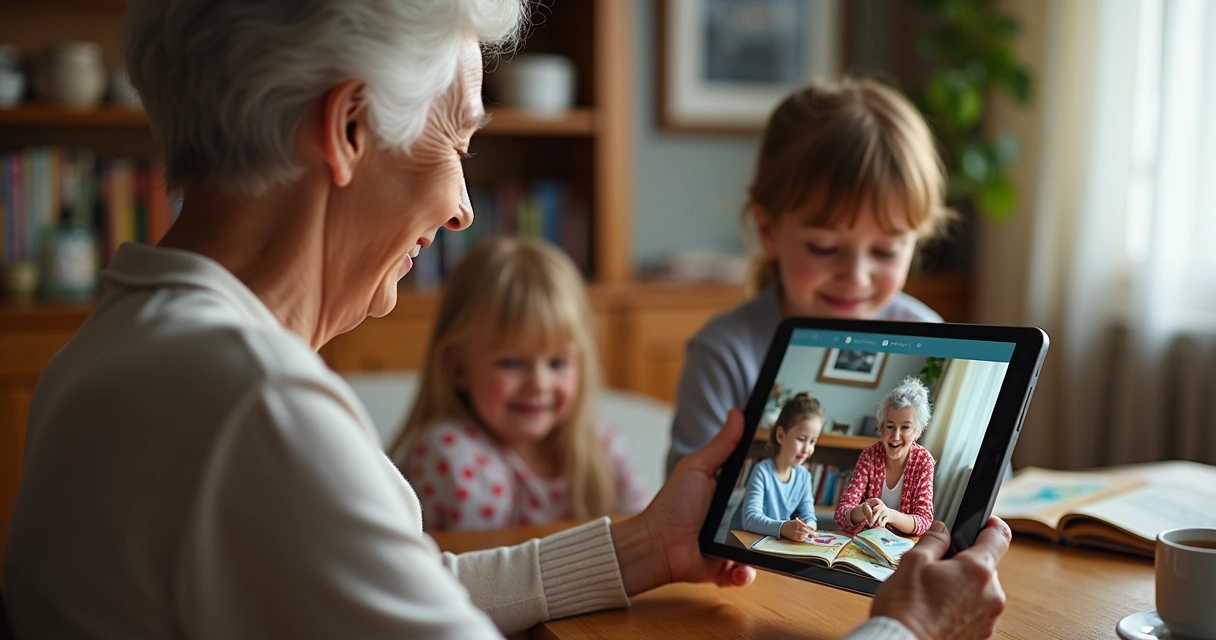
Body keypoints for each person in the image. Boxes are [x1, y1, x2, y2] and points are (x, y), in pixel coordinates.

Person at [0, 1, 1011, 638]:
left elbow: (409, 586)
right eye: (458, 142)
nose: (462, 208)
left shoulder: (122, 342)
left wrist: (643, 548)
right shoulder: (258, 407)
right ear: (348, 129)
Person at [666, 78, 952, 476]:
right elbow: (686, 504)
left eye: (885, 251)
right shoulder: (725, 353)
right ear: (769, 231)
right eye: (824, 247)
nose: (855, 277)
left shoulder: (932, 337)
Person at [390, 237, 651, 531]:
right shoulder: (449, 456)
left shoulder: (604, 450)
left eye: (558, 363)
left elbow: (642, 539)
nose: (539, 384)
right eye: (512, 363)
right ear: (458, 366)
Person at [836, 377, 937, 536]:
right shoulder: (869, 456)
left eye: (905, 428)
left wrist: (890, 515)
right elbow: (841, 513)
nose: (895, 436)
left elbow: (924, 520)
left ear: (919, 431)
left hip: (901, 547)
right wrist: (862, 511)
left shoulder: (924, 461)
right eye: (890, 427)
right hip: (866, 541)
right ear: (881, 427)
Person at [731, 392, 822, 541]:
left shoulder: (804, 476)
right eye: (801, 439)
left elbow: (809, 514)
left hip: (772, 544)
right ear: (780, 435)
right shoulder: (762, 471)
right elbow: (750, 519)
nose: (807, 449)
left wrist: (809, 526)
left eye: (812, 441)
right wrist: (784, 527)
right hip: (744, 544)